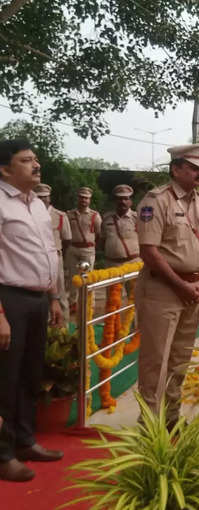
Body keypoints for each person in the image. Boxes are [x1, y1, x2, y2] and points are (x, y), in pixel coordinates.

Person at [136, 143, 199, 428]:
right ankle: (149, 426)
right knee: (155, 361)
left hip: (195, 291)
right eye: (194, 168)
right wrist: (182, 285)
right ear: (176, 169)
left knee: (180, 360)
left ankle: (171, 419)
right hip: (163, 291)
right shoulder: (156, 200)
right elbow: (149, 251)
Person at [0, 139, 64, 482]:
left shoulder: (37, 204)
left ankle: (25, 441)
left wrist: (53, 298)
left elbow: (49, 253)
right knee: (5, 380)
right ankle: (3, 453)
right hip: (8, 297)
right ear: (5, 169)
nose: (36, 165)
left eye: (36, 159)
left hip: (39, 299)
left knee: (30, 374)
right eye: (26, 160)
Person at [35, 183, 72, 321]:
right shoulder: (29, 215)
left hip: (55, 258)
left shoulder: (60, 216)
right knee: (40, 294)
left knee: (60, 293)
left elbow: (67, 240)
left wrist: (58, 254)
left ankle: (64, 326)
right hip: (36, 259)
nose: (42, 200)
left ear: (49, 198)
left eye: (44, 197)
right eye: (38, 197)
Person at [65, 186, 102, 311]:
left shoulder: (94, 216)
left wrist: (91, 246)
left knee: (87, 277)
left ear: (89, 200)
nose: (83, 200)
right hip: (73, 249)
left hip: (87, 250)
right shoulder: (69, 214)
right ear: (78, 198)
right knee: (73, 278)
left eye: (86, 198)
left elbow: (99, 234)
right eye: (81, 197)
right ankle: (73, 303)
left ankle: (88, 303)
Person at [101, 184, 141, 267]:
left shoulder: (137, 218)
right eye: (119, 199)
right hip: (111, 264)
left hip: (133, 263)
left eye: (126, 199)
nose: (122, 202)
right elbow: (102, 240)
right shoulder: (106, 218)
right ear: (115, 201)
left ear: (131, 201)